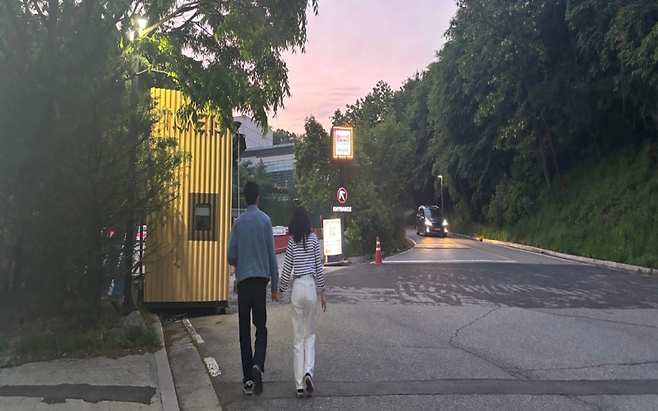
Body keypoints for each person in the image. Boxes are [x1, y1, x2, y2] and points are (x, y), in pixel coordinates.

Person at [227, 181, 280, 396]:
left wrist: (240, 261)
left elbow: (230, 255)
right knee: (261, 326)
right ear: (258, 198)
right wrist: (275, 286)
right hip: (260, 283)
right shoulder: (265, 221)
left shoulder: (238, 224)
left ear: (245, 198)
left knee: (244, 330)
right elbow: (272, 257)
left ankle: (248, 379)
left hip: (243, 283)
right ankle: (258, 362)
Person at [274, 205, 327, 398]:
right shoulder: (313, 240)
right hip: (311, 286)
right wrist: (323, 292)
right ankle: (308, 373)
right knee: (309, 336)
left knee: (298, 339)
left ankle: (298, 385)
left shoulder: (291, 242)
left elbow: (287, 268)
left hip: (297, 288)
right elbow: (319, 268)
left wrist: (280, 291)